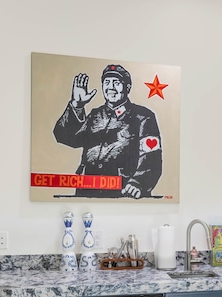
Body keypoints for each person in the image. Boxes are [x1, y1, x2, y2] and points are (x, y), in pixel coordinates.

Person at [53, 64, 163, 198]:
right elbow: (64, 137)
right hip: (88, 191)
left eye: (116, 83)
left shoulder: (143, 116)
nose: (110, 87)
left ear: (127, 88)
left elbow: (151, 158)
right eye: (107, 82)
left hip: (124, 193)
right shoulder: (95, 115)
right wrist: (77, 105)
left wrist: (138, 183)